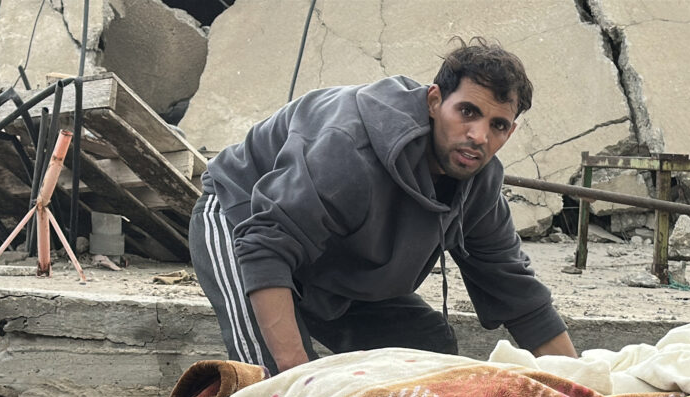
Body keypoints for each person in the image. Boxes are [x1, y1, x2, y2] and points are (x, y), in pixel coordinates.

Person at [189, 36, 577, 375]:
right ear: (435, 101)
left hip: (330, 254)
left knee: (428, 350)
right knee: (278, 383)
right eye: (468, 112)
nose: (479, 136)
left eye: (498, 125)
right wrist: (297, 379)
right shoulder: (350, 149)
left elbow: (519, 296)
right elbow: (266, 245)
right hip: (243, 220)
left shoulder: (480, 185)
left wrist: (589, 392)